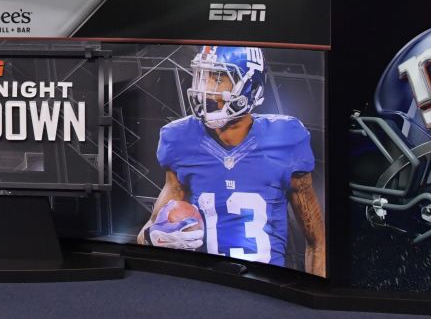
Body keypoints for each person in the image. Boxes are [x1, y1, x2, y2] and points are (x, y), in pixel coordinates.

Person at [137, 45, 325, 277]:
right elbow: (149, 230)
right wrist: (153, 236)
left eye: (217, 78)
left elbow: (317, 243)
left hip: (270, 290)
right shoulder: (179, 139)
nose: (205, 88)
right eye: (203, 76)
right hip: (206, 287)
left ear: (249, 84)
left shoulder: (286, 138)